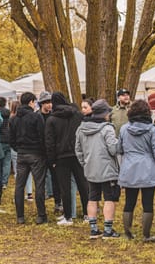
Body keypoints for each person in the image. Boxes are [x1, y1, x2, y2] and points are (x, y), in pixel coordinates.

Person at [118, 100, 155, 241]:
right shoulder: (151, 129)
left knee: (129, 201)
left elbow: (119, 149)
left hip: (130, 167)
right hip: (148, 168)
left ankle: (127, 233)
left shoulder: (124, 129)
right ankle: (146, 235)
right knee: (148, 202)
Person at [76, 99, 120, 238]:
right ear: (104, 113)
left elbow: (78, 150)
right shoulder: (107, 128)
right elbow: (113, 149)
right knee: (109, 198)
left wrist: (85, 163)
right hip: (107, 169)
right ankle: (108, 230)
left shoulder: (81, 128)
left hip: (90, 168)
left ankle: (93, 229)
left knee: (92, 197)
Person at [45, 92, 89, 226]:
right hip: (77, 153)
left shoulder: (52, 119)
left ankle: (68, 216)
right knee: (83, 184)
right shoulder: (78, 115)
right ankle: (88, 214)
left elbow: (49, 142)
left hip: (61, 156)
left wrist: (51, 160)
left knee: (65, 187)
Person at [10, 92, 48, 225]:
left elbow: (11, 139)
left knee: (19, 186)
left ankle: (20, 216)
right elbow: (42, 136)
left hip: (21, 154)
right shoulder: (36, 117)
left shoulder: (14, 118)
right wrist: (43, 152)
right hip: (36, 154)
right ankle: (41, 215)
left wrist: (18, 149)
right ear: (31, 102)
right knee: (39, 185)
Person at [39, 91, 62, 213]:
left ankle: (58, 202)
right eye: (47, 102)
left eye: (50, 102)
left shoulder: (54, 116)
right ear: (42, 103)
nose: (49, 105)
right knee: (40, 179)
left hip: (52, 152)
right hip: (40, 152)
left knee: (56, 179)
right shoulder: (37, 116)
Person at [0, 97, 12, 189]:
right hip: (8, 138)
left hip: (0, 139)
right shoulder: (9, 113)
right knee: (7, 162)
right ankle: (4, 182)